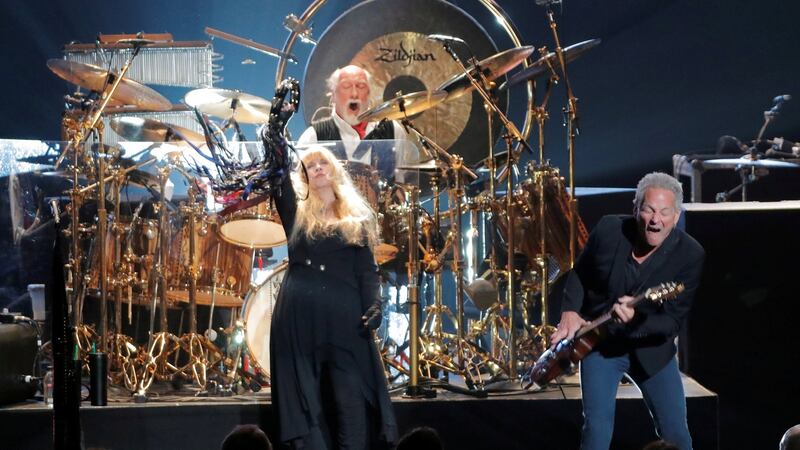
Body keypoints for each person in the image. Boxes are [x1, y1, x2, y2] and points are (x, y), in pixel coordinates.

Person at [550, 172, 705, 450]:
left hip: (652, 352)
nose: (656, 220)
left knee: (677, 436)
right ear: (636, 209)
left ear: (676, 215)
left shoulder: (690, 254)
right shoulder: (611, 229)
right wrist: (570, 312)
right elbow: (580, 273)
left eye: (665, 212)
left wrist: (636, 320)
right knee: (596, 431)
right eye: (649, 210)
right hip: (601, 345)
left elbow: (671, 322)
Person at [269, 145, 398, 449]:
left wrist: (374, 306)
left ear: (334, 169)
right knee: (307, 407)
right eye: (309, 166)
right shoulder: (298, 215)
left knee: (352, 404)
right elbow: (279, 185)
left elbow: (367, 271)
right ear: (305, 177)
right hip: (301, 318)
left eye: (321, 162)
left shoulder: (358, 217)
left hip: (345, 319)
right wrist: (275, 136)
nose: (316, 168)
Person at [296, 65, 409, 178]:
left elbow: (401, 182)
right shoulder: (312, 137)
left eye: (361, 86)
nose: (354, 94)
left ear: (369, 93)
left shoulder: (394, 130)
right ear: (333, 95)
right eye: (346, 86)